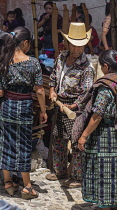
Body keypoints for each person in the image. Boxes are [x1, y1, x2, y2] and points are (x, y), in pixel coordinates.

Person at [76, 50, 117, 209]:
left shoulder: (106, 86)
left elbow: (97, 116)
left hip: (107, 133)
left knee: (105, 170)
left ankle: (105, 204)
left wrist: (83, 136)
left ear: (105, 66)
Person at [0, 27, 47, 199]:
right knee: (23, 144)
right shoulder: (33, 63)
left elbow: (0, 92)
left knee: (6, 142)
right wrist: (43, 110)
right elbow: (40, 91)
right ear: (26, 43)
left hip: (7, 107)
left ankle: (8, 183)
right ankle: (27, 186)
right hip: (24, 107)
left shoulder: (4, 60)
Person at [46, 22, 94, 188]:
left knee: (76, 143)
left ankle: (76, 176)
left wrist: (73, 106)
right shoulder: (61, 57)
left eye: (80, 47)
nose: (76, 50)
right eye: (73, 46)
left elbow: (87, 93)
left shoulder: (87, 66)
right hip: (60, 104)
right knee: (58, 139)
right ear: (68, 44)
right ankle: (59, 171)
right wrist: (52, 91)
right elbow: (53, 77)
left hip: (76, 108)